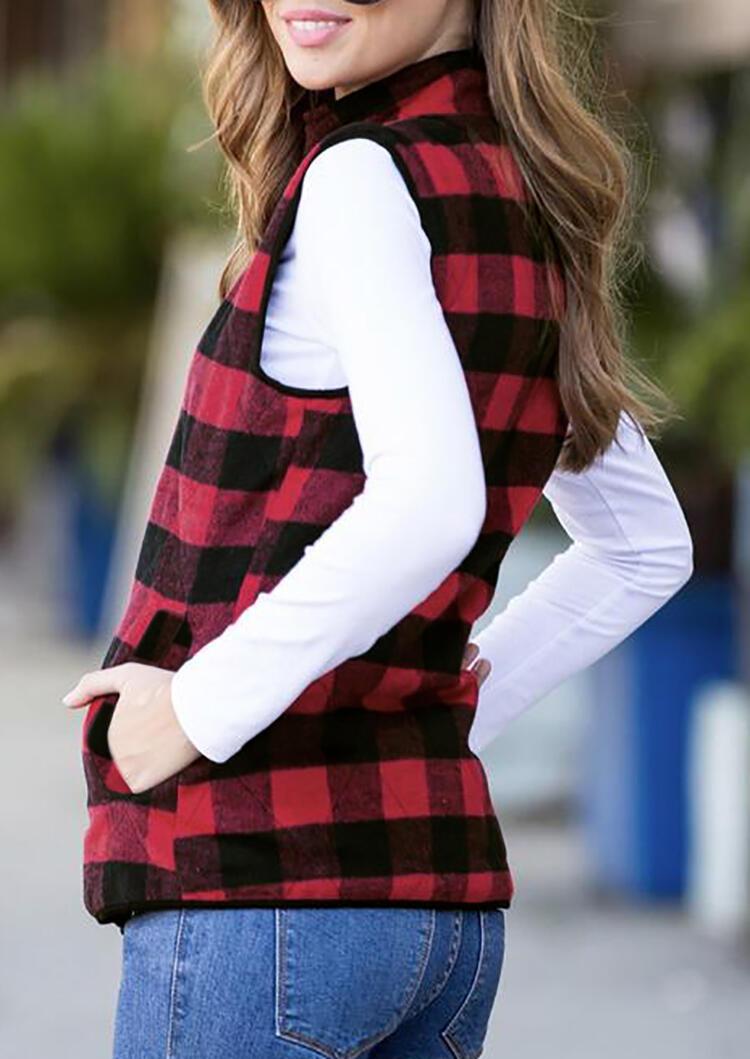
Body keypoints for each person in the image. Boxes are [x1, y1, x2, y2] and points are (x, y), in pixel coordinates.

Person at [64, 2, 694, 1056]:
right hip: (438, 917)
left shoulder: (361, 180)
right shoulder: (521, 190)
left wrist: (193, 712)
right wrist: (441, 718)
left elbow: (431, 502)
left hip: (261, 893)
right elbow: (643, 549)